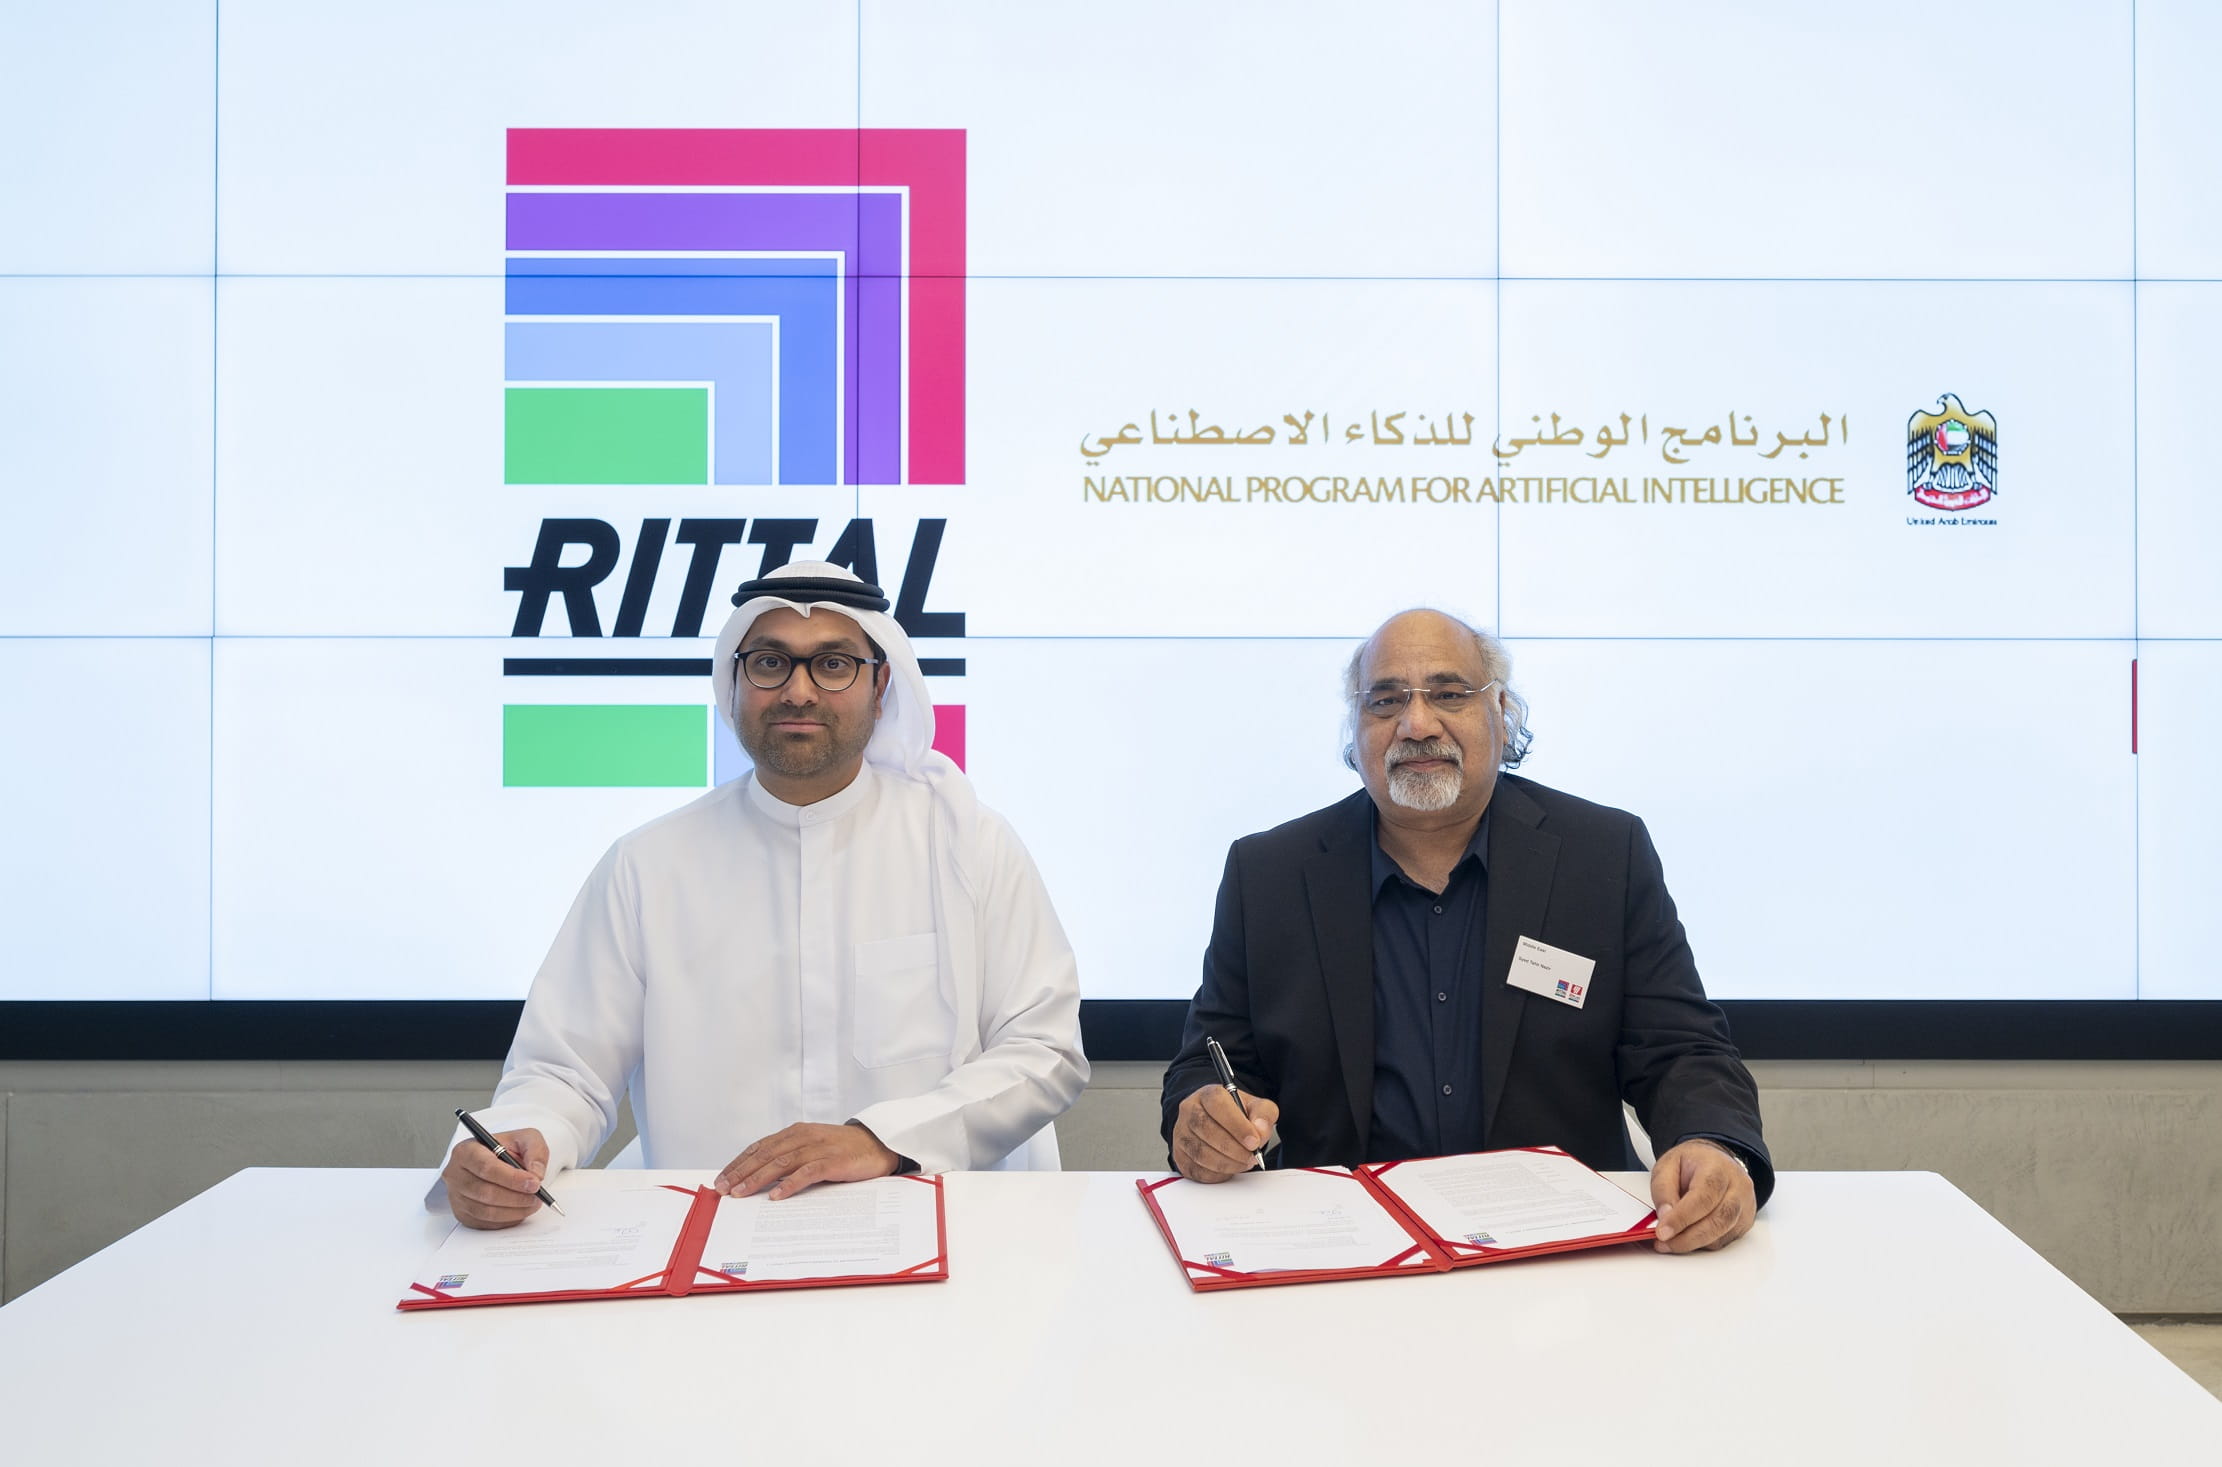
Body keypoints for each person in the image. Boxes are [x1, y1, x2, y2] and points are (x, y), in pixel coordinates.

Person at [440, 562, 1088, 1228]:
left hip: (932, 1226)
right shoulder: (649, 865)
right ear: (735, 682)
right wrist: (523, 1139)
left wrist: (884, 1139)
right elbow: (563, 1069)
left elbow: (1046, 1050)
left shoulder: (966, 844)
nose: (799, 691)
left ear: (880, 684)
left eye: (833, 664)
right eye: (771, 663)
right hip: (713, 1238)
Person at [1160, 609, 1770, 1253]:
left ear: (1501, 713)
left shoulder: (1602, 855)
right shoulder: (1269, 874)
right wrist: (1202, 1118)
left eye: (1449, 694)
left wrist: (1715, 1143)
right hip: (1346, 1247)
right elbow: (1210, 1061)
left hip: (1559, 1248)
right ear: (1356, 728)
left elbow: (1680, 1049)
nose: (1417, 724)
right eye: (1385, 700)